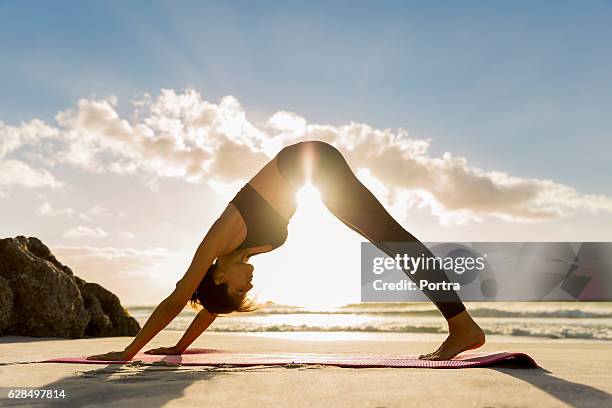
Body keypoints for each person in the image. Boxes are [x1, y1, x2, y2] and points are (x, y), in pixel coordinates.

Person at [87, 140, 485, 362]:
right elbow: (210, 306)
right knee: (390, 243)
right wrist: (179, 347)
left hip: (308, 163)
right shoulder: (238, 257)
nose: (249, 286)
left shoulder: (218, 238)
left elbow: (179, 297)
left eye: (238, 290)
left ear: (219, 275)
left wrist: (129, 352)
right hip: (314, 171)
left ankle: (462, 327)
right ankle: (460, 325)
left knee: (394, 241)